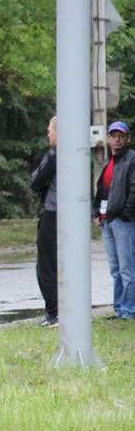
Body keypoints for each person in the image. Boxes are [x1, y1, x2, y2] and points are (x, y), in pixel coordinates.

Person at [92, 120, 135, 320]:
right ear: (108, 139)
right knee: (115, 269)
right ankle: (119, 308)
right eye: (113, 135)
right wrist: (96, 214)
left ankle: (129, 310)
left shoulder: (131, 159)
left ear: (127, 138)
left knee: (127, 268)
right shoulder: (109, 162)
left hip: (123, 221)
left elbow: (133, 190)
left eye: (121, 136)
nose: (117, 139)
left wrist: (125, 214)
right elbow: (102, 192)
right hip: (107, 222)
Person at [31, 116, 58, 327]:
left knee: (46, 267)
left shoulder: (54, 155)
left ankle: (54, 313)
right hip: (68, 216)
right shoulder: (77, 155)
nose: (48, 133)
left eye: (50, 130)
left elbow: (36, 181)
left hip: (51, 214)